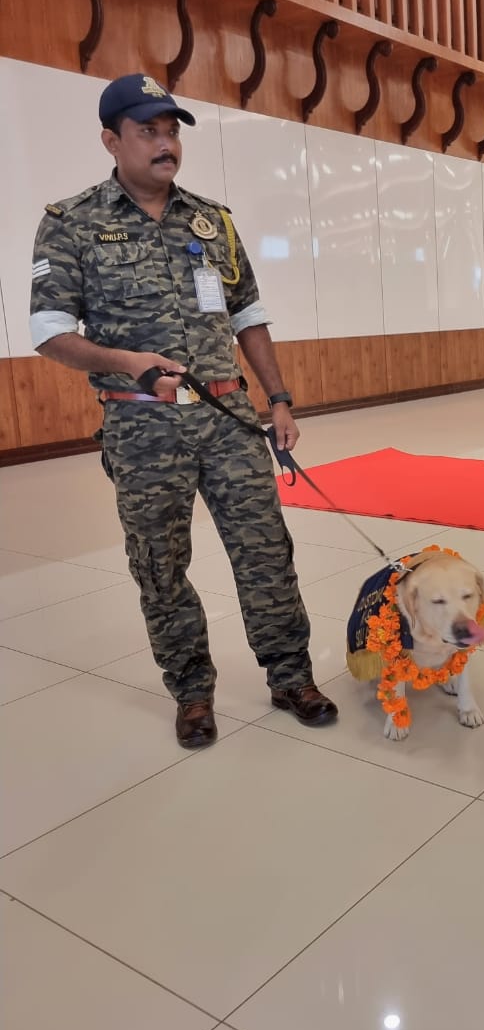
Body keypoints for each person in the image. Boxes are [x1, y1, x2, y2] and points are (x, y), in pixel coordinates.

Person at [29, 73, 338, 749]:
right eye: (148, 131)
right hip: (142, 426)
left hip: (229, 420)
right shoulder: (72, 222)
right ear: (112, 140)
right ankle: (192, 692)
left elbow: (249, 315)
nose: (165, 144)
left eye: (171, 131)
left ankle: (291, 676)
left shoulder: (211, 221)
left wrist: (279, 400)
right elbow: (49, 332)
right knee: (161, 565)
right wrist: (126, 361)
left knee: (266, 553)